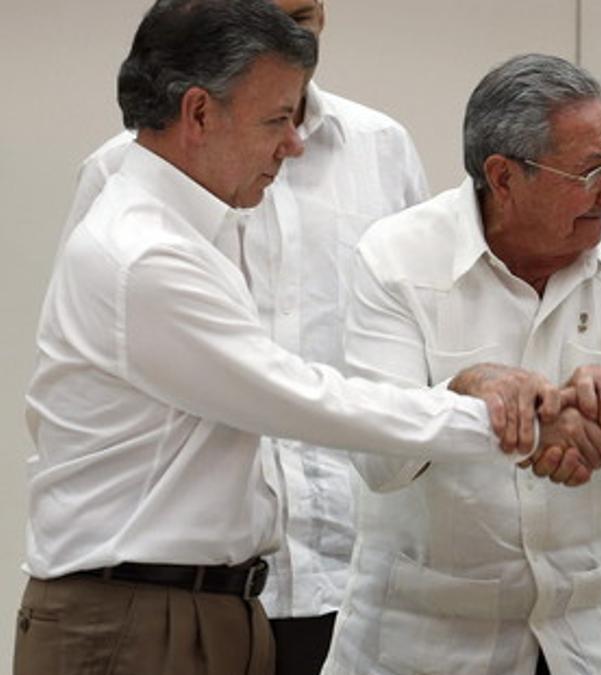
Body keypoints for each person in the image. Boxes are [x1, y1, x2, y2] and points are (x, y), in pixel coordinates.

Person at [16, 4, 577, 674]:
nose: (295, 143)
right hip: (140, 617)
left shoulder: (195, 223)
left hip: (227, 597)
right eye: (277, 119)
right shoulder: (146, 252)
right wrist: (514, 422)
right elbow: (301, 397)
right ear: (198, 113)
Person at [58, 1, 430, 671]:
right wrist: (493, 417)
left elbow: (420, 337)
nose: (297, 30)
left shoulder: (382, 148)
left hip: (350, 577)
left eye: (306, 12)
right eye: (274, 14)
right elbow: (101, 389)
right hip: (170, 588)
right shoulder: (127, 182)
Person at [322, 54, 601, 675]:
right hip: (429, 638)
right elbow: (378, 456)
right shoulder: (397, 257)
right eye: (592, 171)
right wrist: (465, 393)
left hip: (597, 635)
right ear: (503, 177)